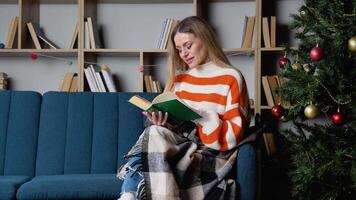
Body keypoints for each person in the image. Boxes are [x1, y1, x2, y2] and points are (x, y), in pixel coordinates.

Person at [118, 16, 255, 200]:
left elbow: (233, 136)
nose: (183, 53)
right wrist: (163, 122)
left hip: (207, 153)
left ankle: (129, 194)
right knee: (154, 131)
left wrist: (205, 117)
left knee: (150, 145)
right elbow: (175, 129)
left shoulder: (231, 78)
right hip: (176, 148)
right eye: (179, 49)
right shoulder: (180, 81)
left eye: (188, 46)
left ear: (205, 40)